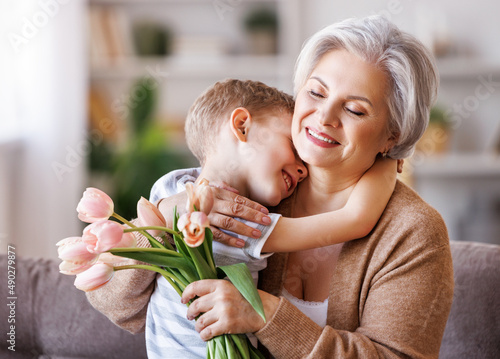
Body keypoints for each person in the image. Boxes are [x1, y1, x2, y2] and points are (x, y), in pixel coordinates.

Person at [87, 15, 454, 358]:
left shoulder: (412, 232)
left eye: (355, 110)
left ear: (393, 135)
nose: (324, 117)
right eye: (315, 93)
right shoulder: (254, 189)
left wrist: (265, 314)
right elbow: (117, 306)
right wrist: (164, 221)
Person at [137, 78, 397, 358]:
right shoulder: (243, 222)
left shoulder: (168, 189)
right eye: (294, 149)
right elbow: (354, 219)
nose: (304, 170)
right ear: (242, 126)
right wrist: (387, 158)